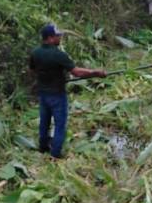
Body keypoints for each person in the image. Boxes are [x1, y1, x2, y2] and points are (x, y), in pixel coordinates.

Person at [28, 24, 106, 159]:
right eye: (57, 36)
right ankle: (55, 154)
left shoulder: (35, 53)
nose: (60, 38)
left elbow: (32, 70)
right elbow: (77, 72)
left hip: (43, 94)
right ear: (50, 38)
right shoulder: (59, 55)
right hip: (57, 95)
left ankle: (43, 147)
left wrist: (45, 78)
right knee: (59, 125)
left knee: (44, 122)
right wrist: (96, 73)